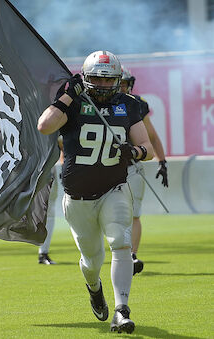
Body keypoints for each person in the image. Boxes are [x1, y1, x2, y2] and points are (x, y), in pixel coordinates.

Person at [37, 51, 154, 334]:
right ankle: (94, 287)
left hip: (114, 189)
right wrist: (66, 97)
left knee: (121, 244)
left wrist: (135, 151)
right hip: (77, 198)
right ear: (85, 79)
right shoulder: (74, 103)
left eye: (108, 80)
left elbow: (147, 148)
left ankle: (121, 310)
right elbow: (44, 126)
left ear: (118, 80)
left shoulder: (129, 105)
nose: (102, 86)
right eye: (96, 80)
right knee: (92, 262)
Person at [119, 66, 168, 275]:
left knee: (134, 213)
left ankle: (132, 255)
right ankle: (118, 254)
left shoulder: (137, 104)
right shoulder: (96, 104)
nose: (121, 88)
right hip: (104, 167)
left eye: (123, 83)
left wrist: (162, 161)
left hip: (133, 166)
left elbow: (152, 136)